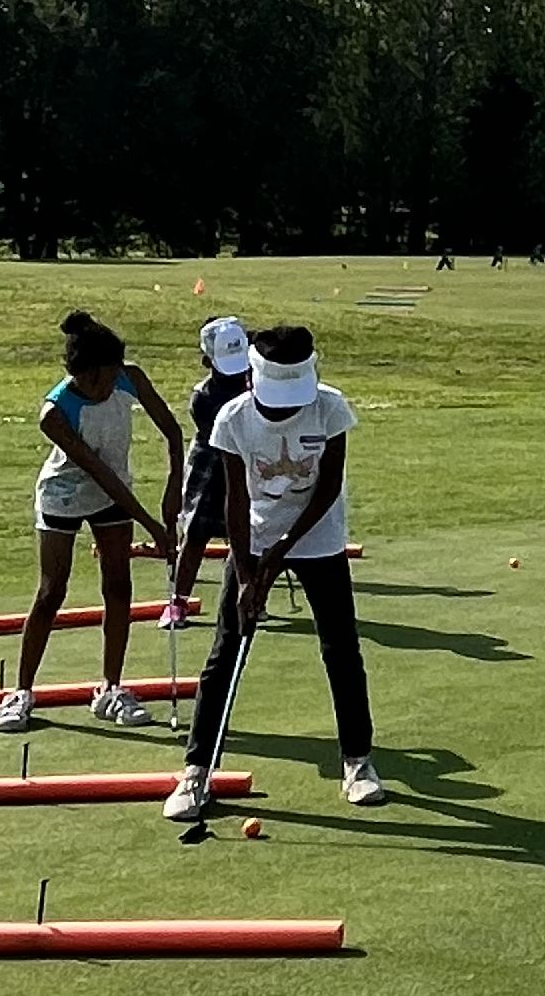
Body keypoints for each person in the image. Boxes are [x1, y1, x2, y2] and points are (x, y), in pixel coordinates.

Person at [165, 323, 383, 820]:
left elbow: (328, 485)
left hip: (319, 538)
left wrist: (283, 549)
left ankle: (358, 763)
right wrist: (246, 574)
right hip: (256, 537)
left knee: (341, 648)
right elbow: (235, 502)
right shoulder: (233, 420)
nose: (285, 408)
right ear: (251, 380)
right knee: (226, 651)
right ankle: (196, 772)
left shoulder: (329, 407)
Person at [0, 311, 184, 732]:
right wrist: (152, 525)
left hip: (113, 493)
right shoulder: (55, 414)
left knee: (118, 587)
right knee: (51, 591)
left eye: (110, 376)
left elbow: (172, 433)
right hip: (64, 494)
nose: (105, 387)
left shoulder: (128, 376)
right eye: (97, 381)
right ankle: (21, 693)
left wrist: (175, 488)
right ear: (77, 373)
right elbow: (98, 471)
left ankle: (111, 689)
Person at [158, 316, 254, 630]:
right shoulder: (203, 398)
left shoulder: (257, 383)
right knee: (196, 534)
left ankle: (251, 596)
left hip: (248, 463)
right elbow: (227, 439)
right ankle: (178, 602)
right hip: (211, 465)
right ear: (206, 360)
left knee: (248, 536)